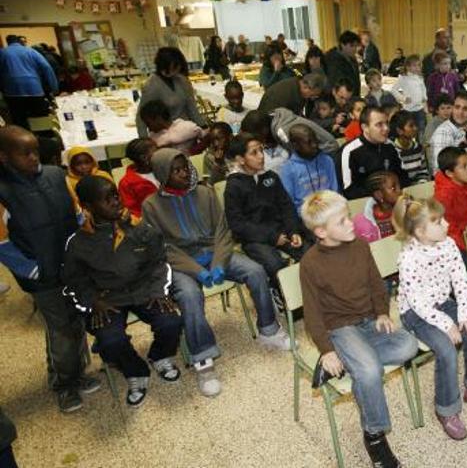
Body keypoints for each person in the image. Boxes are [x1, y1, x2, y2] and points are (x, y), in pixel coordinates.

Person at [141, 149, 291, 397]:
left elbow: (222, 232)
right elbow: (163, 248)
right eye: (175, 170)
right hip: (181, 263)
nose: (184, 173)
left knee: (254, 271)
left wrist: (219, 262)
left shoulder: (205, 192)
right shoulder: (151, 206)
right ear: (161, 174)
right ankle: (203, 359)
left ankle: (269, 329)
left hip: (215, 252)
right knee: (189, 296)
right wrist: (197, 271)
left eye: (185, 166)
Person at [299, 190, 418, 467]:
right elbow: (313, 314)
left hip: (368, 321)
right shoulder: (310, 264)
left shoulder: (360, 246)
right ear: (321, 231)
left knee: (408, 345)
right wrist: (327, 350)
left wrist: (381, 312)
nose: (351, 223)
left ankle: (350, 361)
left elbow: (377, 283)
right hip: (339, 328)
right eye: (342, 222)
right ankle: (375, 436)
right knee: (369, 371)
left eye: (348, 217)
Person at [0, 126, 98, 413]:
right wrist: (33, 271)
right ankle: (64, 384)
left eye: (36, 151)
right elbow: (2, 243)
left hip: (72, 265)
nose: (34, 158)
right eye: (25, 154)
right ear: (4, 157)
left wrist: (84, 233)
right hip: (42, 276)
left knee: (76, 321)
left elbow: (76, 210)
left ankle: (78, 372)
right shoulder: (3, 192)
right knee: (61, 331)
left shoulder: (56, 176)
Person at [63, 176, 183, 408]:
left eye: (115, 194)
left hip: (144, 289)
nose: (115, 201)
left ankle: (159, 356)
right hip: (107, 298)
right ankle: (135, 371)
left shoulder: (139, 228)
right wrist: (93, 301)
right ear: (87, 206)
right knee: (109, 340)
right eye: (106, 199)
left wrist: (159, 291)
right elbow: (73, 281)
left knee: (171, 321)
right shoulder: (79, 242)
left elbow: (159, 262)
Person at [394, 196, 467, 440]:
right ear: (420, 231)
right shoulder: (408, 257)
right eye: (438, 221)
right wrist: (447, 324)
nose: (446, 224)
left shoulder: (449, 244)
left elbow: (461, 281)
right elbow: (418, 303)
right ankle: (447, 409)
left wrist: (465, 315)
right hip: (415, 313)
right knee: (446, 350)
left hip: (443, 303)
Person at [224, 133, 308, 301]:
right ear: (240, 159)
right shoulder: (234, 186)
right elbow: (237, 224)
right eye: (254, 153)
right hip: (254, 237)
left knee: (308, 252)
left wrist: (293, 231)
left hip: (281, 230)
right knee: (274, 264)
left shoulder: (270, 177)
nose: (261, 156)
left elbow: (286, 206)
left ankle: (311, 293)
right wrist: (271, 237)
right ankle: (282, 295)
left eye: (261, 150)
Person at [337, 106, 409, 199]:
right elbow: (349, 190)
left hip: (393, 202)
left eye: (387, 123)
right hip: (361, 206)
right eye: (379, 124)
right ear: (365, 127)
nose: (386, 128)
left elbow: (404, 178)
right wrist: (381, 194)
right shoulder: (350, 151)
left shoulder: (390, 146)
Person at [136, 47, 205, 138]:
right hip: (165, 135)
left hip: (186, 130)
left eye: (177, 66)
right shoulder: (152, 85)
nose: (176, 69)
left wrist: (203, 127)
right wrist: (144, 140)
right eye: (172, 66)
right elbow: (141, 117)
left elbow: (192, 107)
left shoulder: (182, 80)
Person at [0, 35, 58, 130]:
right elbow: (47, 67)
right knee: (41, 120)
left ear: (8, 42)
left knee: (20, 122)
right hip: (34, 89)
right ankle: (46, 140)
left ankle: (26, 142)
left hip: (12, 92)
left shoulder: (2, 52)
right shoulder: (31, 51)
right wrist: (54, 87)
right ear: (19, 42)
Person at [433, 146, 467, 257]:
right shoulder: (443, 197)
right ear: (450, 173)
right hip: (457, 246)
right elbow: (447, 231)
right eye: (464, 167)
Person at [280, 123, 339, 211]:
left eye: (315, 140)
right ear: (295, 145)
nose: (314, 145)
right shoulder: (288, 169)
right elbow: (290, 204)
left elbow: (335, 191)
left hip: (330, 211)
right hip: (305, 217)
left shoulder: (326, 160)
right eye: (309, 142)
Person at [353, 171, 403, 242]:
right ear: (379, 195)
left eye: (399, 187)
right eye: (393, 188)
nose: (399, 191)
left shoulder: (405, 210)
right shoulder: (365, 223)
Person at [140, 99, 205, 153]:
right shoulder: (153, 137)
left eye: (148, 123)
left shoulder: (186, 127)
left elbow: (204, 137)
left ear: (158, 119)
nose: (148, 127)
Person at [430, 92, 467, 170]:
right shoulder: (443, 132)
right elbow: (441, 167)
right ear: (452, 109)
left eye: (465, 109)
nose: (460, 112)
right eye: (457, 107)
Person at [118, 138, 159, 220]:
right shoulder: (127, 183)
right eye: (156, 151)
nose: (160, 153)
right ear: (144, 158)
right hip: (150, 222)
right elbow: (133, 211)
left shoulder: (163, 169)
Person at [390, 55, 428, 138]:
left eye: (419, 65)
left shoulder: (420, 77)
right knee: (409, 129)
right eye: (414, 65)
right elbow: (393, 90)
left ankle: (420, 145)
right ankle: (409, 143)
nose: (417, 68)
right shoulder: (404, 78)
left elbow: (423, 88)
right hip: (409, 110)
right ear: (408, 67)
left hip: (419, 109)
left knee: (421, 128)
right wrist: (403, 98)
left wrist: (424, 97)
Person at [257, 72, 326, 116]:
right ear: (306, 87)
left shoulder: (297, 87)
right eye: (312, 95)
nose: (312, 98)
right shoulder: (285, 93)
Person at [390, 110, 430, 184]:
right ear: (399, 131)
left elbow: (423, 172)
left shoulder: (418, 148)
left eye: (415, 125)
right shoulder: (391, 150)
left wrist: (420, 184)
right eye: (411, 126)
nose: (415, 128)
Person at [325, 30, 362, 98]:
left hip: (352, 97)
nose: (354, 49)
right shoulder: (333, 60)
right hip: (341, 99)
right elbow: (336, 83)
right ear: (342, 45)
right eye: (351, 46)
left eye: (356, 46)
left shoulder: (352, 59)